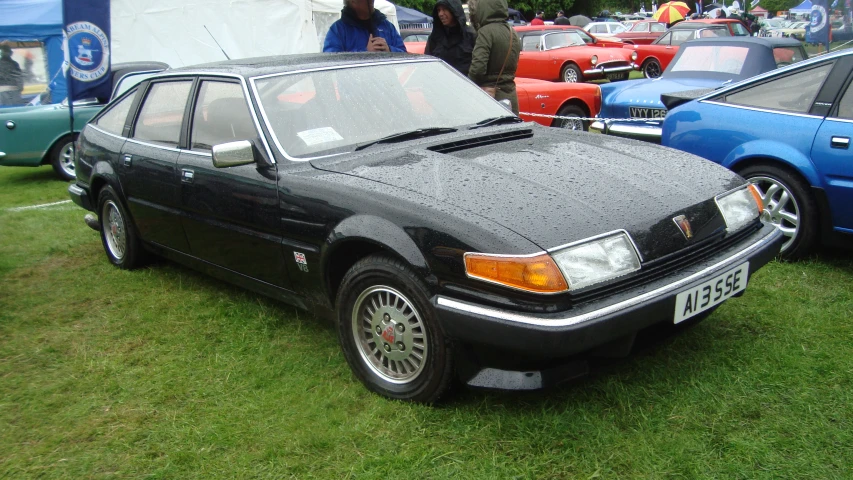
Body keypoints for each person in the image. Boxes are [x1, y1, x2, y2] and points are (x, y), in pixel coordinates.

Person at [468, 0, 521, 114]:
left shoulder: (485, 32)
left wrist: (467, 86)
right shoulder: (512, 32)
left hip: (490, 98)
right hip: (511, 96)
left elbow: (478, 68)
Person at [323, 0, 406, 53]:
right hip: (353, 81)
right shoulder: (338, 30)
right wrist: (364, 52)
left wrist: (389, 50)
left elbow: (404, 54)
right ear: (353, 1)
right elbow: (331, 60)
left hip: (388, 80)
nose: (372, 1)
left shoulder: (387, 26)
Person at [425, 0, 477, 75]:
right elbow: (428, 63)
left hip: (465, 83)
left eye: (444, 9)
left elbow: (478, 65)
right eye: (439, 10)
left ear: (454, 10)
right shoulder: (435, 37)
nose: (440, 14)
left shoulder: (470, 35)